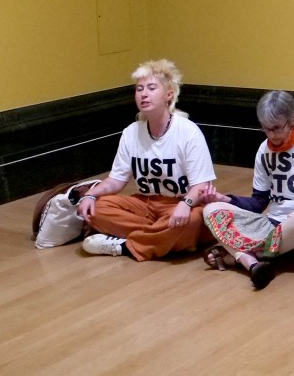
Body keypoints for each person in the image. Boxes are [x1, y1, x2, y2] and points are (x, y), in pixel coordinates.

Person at [76, 59, 217, 261]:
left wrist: (185, 204)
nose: (143, 94)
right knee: (98, 208)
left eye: (151, 88)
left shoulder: (188, 132)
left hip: (179, 203)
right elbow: (116, 180)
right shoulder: (131, 132)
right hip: (145, 205)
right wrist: (89, 195)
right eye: (139, 89)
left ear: (169, 95)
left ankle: (125, 246)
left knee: (194, 219)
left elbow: (201, 186)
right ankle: (163, 238)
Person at [198, 90, 294, 289]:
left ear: (293, 119)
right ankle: (254, 263)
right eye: (265, 129)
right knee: (210, 210)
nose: (272, 135)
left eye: (277, 128)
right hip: (272, 225)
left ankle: (239, 254)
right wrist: (222, 198)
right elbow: (258, 203)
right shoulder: (263, 150)